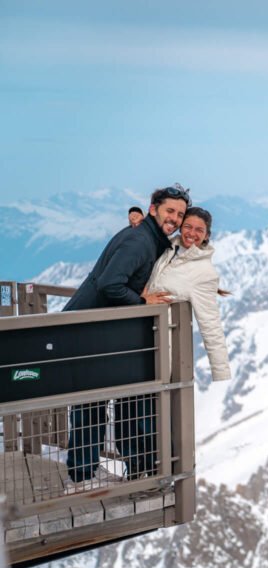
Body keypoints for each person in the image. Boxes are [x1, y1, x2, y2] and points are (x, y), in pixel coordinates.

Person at [64, 184, 189, 485]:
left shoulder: (149, 238)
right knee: (90, 405)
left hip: (98, 332)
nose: (174, 218)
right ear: (153, 208)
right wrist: (143, 303)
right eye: (169, 210)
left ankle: (88, 471)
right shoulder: (140, 242)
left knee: (98, 404)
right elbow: (110, 284)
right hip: (87, 332)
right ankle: (81, 477)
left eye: (180, 214)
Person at [144, 206, 232, 382]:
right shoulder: (167, 247)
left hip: (160, 342)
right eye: (188, 226)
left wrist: (220, 371)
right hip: (139, 330)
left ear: (207, 235)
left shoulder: (204, 273)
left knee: (147, 401)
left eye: (199, 230)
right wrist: (137, 214)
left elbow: (211, 324)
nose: (192, 233)